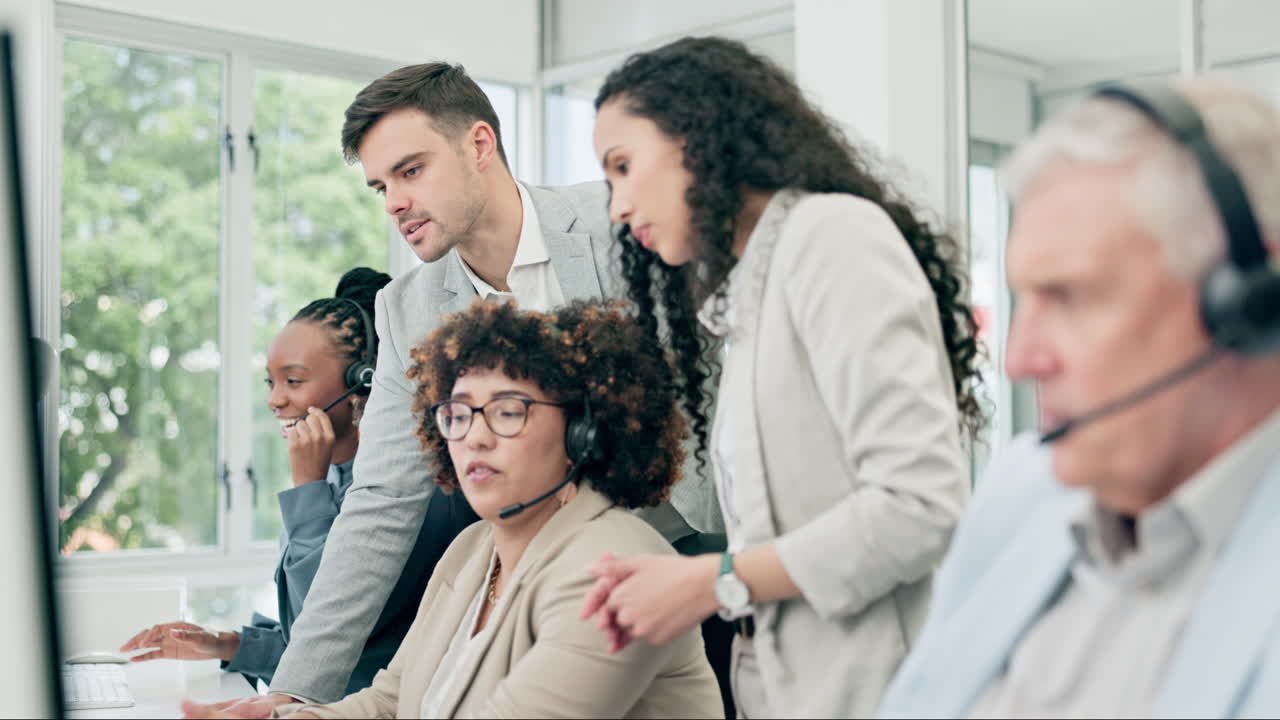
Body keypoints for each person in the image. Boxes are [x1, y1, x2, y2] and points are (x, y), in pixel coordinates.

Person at [183, 61, 722, 719]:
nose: (395, 203)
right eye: (380, 185)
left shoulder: (620, 224)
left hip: (695, 553)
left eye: (411, 171)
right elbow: (382, 498)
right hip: (532, 588)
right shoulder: (407, 307)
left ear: (479, 145)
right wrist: (295, 696)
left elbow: (713, 394)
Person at [581, 37, 981, 719]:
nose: (615, 205)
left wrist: (718, 581)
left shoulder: (832, 237)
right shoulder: (753, 294)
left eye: (623, 166)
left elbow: (922, 506)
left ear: (697, 138)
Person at [878, 78, 1280, 718]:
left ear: (1247, 304)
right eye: (1023, 299)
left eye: (1070, 297)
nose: (1018, 362)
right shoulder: (1020, 492)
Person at [264, 299, 722, 719]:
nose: (474, 437)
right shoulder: (471, 550)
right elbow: (391, 701)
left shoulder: (613, 562)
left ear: (582, 431)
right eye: (458, 415)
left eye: (506, 411)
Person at [122, 268, 476, 693]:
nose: (274, 400)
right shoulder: (338, 475)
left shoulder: (414, 495)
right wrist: (225, 644)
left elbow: (333, 634)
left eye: (294, 381)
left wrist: (307, 488)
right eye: (271, 382)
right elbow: (308, 640)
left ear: (365, 383)